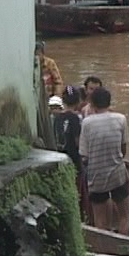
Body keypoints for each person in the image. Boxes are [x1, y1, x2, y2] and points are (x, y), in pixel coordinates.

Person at [79, 87, 129, 235]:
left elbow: (84, 155)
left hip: (96, 176)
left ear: (92, 104)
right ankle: (126, 247)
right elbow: (123, 149)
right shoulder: (121, 119)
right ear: (109, 102)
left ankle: (106, 251)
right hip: (118, 174)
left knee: (100, 220)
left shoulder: (87, 123)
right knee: (124, 216)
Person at [53, 85, 90, 221]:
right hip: (74, 160)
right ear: (79, 101)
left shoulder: (57, 118)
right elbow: (78, 142)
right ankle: (79, 219)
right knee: (78, 191)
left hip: (61, 159)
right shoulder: (77, 119)